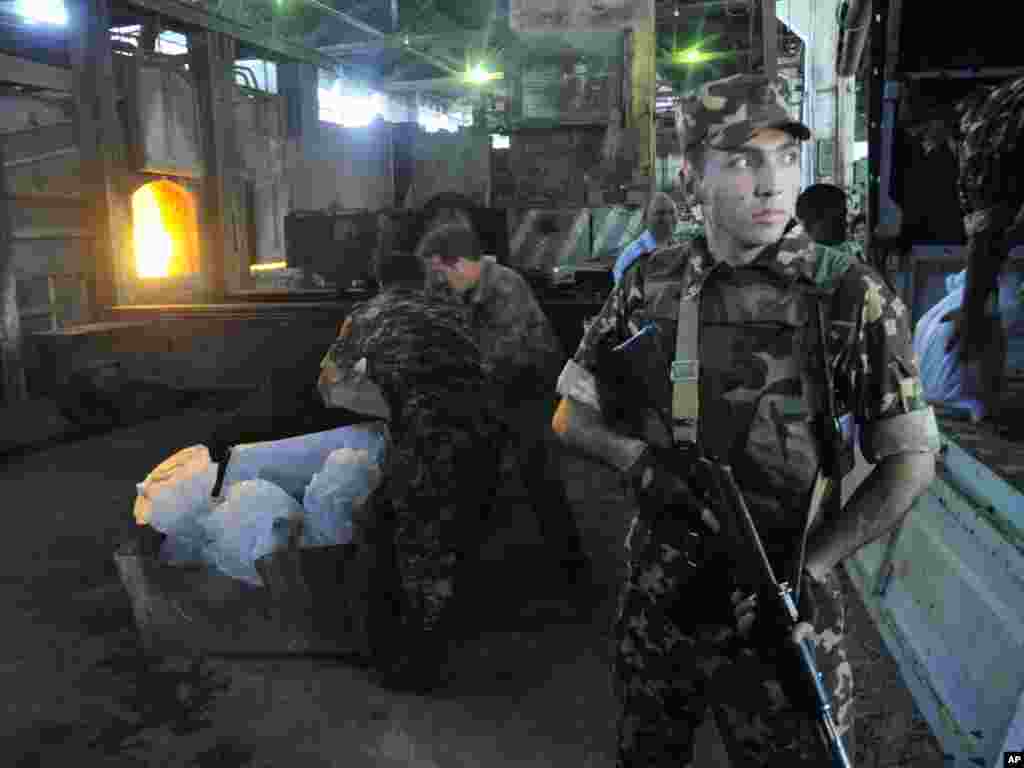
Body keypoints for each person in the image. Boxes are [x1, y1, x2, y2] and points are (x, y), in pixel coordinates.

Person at [551, 73, 941, 766]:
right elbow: (568, 415)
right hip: (661, 596)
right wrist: (635, 460)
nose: (771, 184)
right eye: (741, 161)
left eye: (785, 158)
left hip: (782, 608)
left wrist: (811, 572)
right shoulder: (650, 283)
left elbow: (910, 459)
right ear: (690, 175)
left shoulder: (847, 293)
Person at [318, 241, 502, 692]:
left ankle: (417, 665)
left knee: (416, 549)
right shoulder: (451, 309)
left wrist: (380, 402)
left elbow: (327, 382)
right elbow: (486, 363)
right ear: (418, 279)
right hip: (488, 435)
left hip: (427, 440)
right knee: (453, 533)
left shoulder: (366, 314)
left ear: (380, 282)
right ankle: (456, 629)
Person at [420, 220, 592, 586]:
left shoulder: (505, 286)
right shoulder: (462, 288)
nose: (438, 282)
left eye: (440, 272)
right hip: (493, 391)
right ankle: (467, 574)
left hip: (528, 390)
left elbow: (501, 356)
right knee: (477, 476)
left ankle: (576, 575)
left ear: (460, 265)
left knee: (539, 479)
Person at [612, 192, 680, 284]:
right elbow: (622, 291)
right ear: (645, 219)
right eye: (660, 213)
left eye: (672, 212)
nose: (668, 218)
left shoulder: (678, 248)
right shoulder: (632, 254)